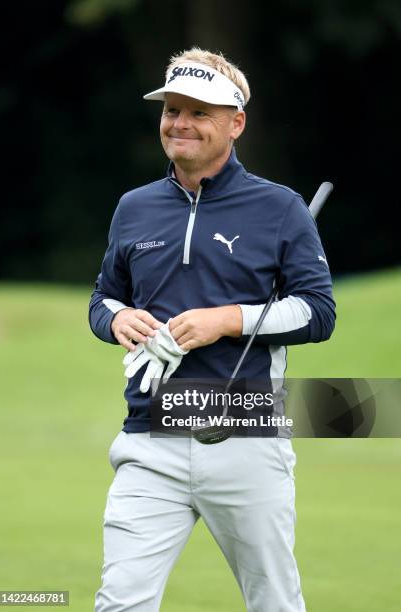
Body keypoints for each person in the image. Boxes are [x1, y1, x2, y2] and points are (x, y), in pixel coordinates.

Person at [89, 47, 335, 612]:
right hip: (150, 438)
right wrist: (117, 318)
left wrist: (230, 320)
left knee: (273, 600)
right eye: (172, 109)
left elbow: (318, 312)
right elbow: (104, 297)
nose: (180, 123)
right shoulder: (134, 207)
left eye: (199, 112)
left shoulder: (280, 208)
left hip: (246, 434)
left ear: (235, 122)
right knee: (119, 603)